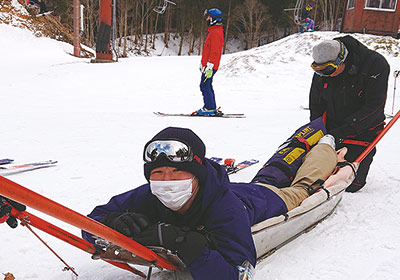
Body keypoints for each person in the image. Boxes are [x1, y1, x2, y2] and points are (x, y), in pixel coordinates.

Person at [77, 123, 339, 280]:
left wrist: (187, 245)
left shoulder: (226, 210)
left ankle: (325, 147)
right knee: (270, 174)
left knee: (303, 187)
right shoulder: (148, 194)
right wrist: (112, 222)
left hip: (267, 200)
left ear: (197, 175)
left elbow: (240, 273)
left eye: (177, 171)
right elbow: (90, 223)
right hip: (244, 188)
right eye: (158, 173)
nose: (167, 180)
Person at [309, 35, 390, 192]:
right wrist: (318, 129)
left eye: (329, 70)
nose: (326, 75)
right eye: (319, 71)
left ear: (342, 60)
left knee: (350, 185)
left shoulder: (374, 65)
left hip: (363, 129)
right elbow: (316, 104)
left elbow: (374, 105)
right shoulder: (324, 70)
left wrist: (343, 131)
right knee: (315, 177)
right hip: (332, 126)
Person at [193, 8, 224, 116]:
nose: (206, 19)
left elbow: (215, 51)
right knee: (207, 85)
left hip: (211, 66)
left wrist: (210, 66)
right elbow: (208, 50)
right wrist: (203, 63)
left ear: (213, 19)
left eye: (208, 17)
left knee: (204, 85)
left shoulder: (215, 33)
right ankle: (211, 107)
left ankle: (209, 108)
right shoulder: (214, 31)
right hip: (208, 65)